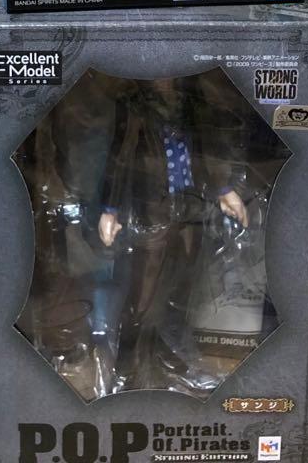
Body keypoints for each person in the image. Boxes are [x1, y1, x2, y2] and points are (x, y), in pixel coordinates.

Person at [96, 79, 250, 389]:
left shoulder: (192, 98)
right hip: (152, 209)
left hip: (192, 207)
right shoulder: (134, 102)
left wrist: (224, 190)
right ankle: (126, 368)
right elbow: (120, 155)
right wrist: (110, 209)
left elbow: (208, 145)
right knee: (143, 294)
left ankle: (168, 353)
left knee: (180, 291)